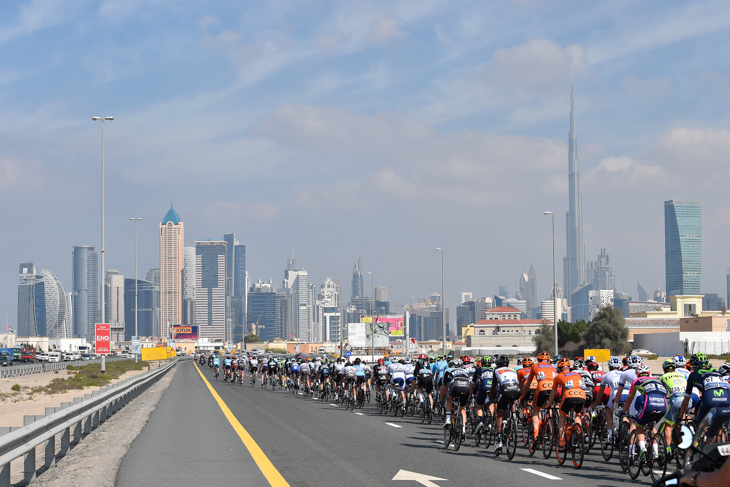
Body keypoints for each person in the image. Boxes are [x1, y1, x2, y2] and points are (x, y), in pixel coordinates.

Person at [678, 353, 730, 424]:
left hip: (710, 398)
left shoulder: (693, 375)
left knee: (701, 427)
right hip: (726, 398)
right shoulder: (717, 372)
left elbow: (686, 399)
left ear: (695, 366)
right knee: (719, 425)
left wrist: (680, 417)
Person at [546, 358, 586, 449]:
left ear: (559, 369)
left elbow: (553, 393)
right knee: (577, 415)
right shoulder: (577, 374)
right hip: (582, 395)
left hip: (569, 396)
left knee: (562, 417)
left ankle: (562, 441)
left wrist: (549, 404)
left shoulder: (558, 376)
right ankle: (579, 433)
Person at [522, 351, 557, 444]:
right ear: (549, 361)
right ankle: (550, 425)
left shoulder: (535, 366)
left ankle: (536, 435)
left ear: (538, 360)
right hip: (555, 389)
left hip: (542, 388)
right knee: (548, 406)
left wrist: (523, 395)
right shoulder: (553, 367)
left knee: (536, 410)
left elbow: (528, 383)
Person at [490, 355, 521, 454]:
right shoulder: (513, 370)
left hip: (505, 389)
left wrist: (491, 398)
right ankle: (514, 416)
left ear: (498, 364)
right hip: (516, 389)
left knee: (500, 415)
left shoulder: (496, 371)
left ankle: (499, 440)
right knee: (512, 399)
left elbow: (494, 386)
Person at [660, 359, 688, 452]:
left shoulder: (663, 377)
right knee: (682, 420)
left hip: (675, 399)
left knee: (668, 425)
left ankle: (668, 449)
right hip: (687, 400)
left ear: (664, 369)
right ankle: (684, 441)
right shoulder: (682, 376)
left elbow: (662, 392)